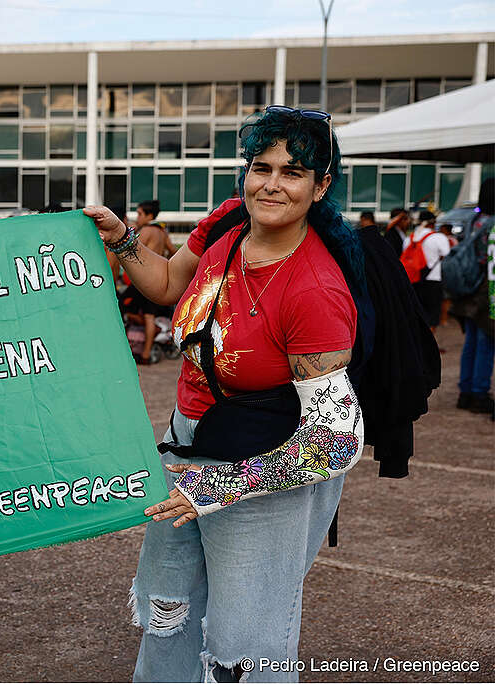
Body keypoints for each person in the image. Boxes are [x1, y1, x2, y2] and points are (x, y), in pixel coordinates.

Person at [86, 105, 364, 682]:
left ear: (321, 186)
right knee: (169, 606)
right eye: (261, 167)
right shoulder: (227, 223)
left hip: (266, 466)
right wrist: (123, 241)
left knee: (244, 641)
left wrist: (215, 490)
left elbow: (335, 443)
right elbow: (166, 283)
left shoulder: (313, 290)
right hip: (189, 446)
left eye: (293, 172)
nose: (271, 184)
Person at [112, 200, 178, 364]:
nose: (138, 217)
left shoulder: (146, 231)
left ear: (149, 215)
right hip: (159, 278)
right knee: (149, 315)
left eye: (140, 214)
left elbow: (130, 250)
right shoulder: (161, 232)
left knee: (125, 309)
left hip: (143, 279)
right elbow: (173, 252)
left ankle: (142, 350)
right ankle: (147, 352)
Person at [450, 178, 495, 415]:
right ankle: (479, 393)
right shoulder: (493, 225)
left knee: (471, 342)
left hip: (466, 288)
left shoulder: (472, 221)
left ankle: (465, 392)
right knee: (486, 342)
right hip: (485, 290)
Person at [404, 210, 450, 334]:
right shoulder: (438, 237)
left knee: (417, 314)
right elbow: (448, 255)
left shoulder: (410, 239)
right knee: (432, 314)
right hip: (433, 279)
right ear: (433, 222)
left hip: (413, 280)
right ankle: (430, 345)